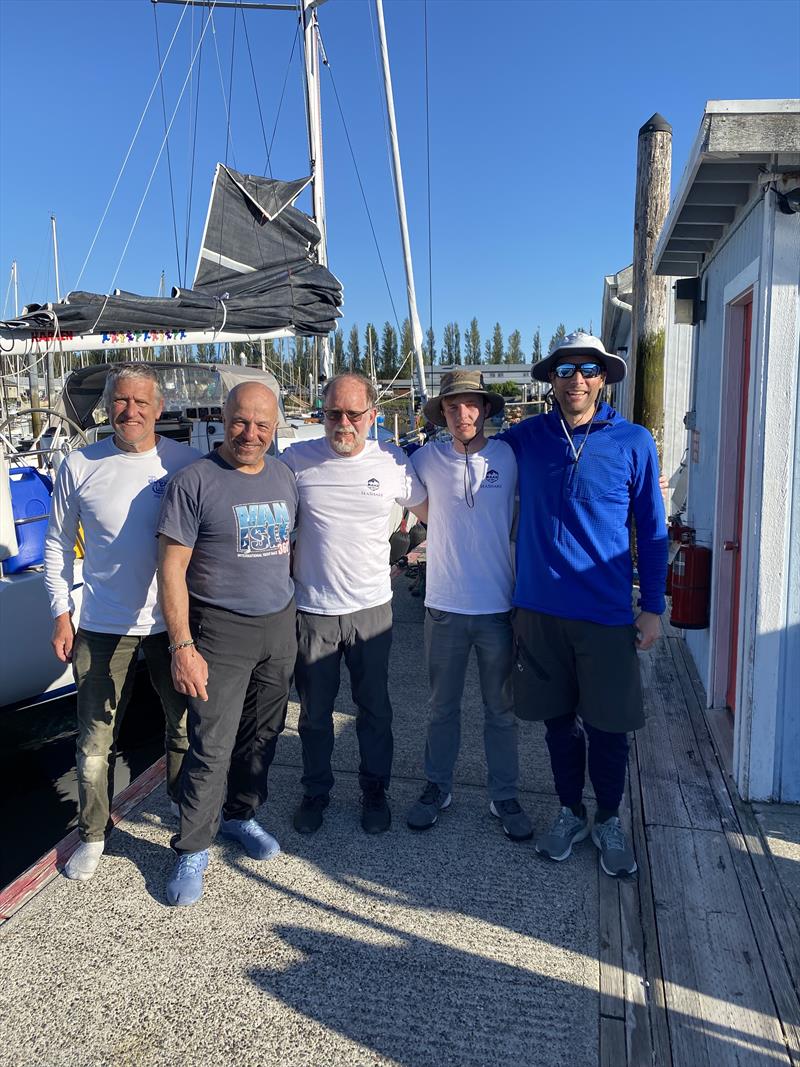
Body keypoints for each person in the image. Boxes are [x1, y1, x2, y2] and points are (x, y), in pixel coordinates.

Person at [500, 332, 668, 877]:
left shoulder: (634, 441)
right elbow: (464, 453)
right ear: (551, 378)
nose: (576, 379)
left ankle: (610, 816)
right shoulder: (526, 437)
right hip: (540, 610)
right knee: (557, 724)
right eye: (565, 369)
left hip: (607, 612)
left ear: (603, 377)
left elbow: (653, 528)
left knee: (608, 726)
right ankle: (570, 812)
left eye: (588, 369)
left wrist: (654, 605)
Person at [44, 362, 200, 882]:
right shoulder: (79, 464)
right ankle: (92, 833)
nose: (129, 411)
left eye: (141, 402)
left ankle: (184, 812)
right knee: (93, 741)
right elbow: (57, 545)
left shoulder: (184, 462)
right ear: (107, 405)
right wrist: (61, 614)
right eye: (120, 401)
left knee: (181, 729)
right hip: (101, 626)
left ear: (159, 409)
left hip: (170, 625)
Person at [157, 381, 298, 906]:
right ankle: (193, 846)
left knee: (263, 733)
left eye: (263, 424)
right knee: (210, 745)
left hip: (278, 624)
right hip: (219, 629)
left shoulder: (284, 476)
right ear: (224, 417)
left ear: (276, 425)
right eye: (241, 421)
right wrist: (182, 645)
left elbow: (291, 546)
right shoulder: (194, 480)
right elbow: (171, 569)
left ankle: (241, 815)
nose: (251, 434)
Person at [281, 372, 426, 835]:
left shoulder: (392, 460)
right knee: (314, 714)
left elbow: (436, 515)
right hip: (314, 611)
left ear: (373, 415)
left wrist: (417, 555)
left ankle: (374, 790)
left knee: (374, 709)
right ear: (321, 415)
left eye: (353, 414)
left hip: (371, 611)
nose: (343, 423)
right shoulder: (295, 461)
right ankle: (316, 790)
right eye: (333, 414)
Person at [405, 370, 533, 841]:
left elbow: (525, 517)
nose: (463, 414)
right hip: (443, 606)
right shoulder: (423, 458)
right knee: (441, 707)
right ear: (442, 413)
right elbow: (380, 478)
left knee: (501, 711)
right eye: (453, 406)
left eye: (472, 405)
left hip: (498, 608)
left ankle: (504, 795)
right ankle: (437, 787)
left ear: (485, 410)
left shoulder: (509, 457)